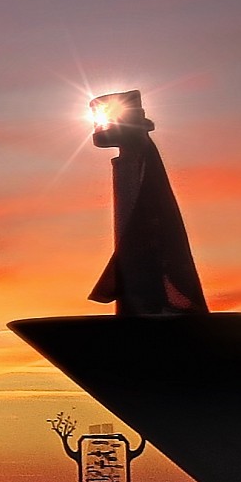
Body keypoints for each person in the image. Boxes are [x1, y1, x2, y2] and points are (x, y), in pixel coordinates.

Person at [87, 90, 208, 316]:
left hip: (145, 273)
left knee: (144, 250)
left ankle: (152, 301)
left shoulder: (142, 161)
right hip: (140, 267)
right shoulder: (140, 159)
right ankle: (149, 299)